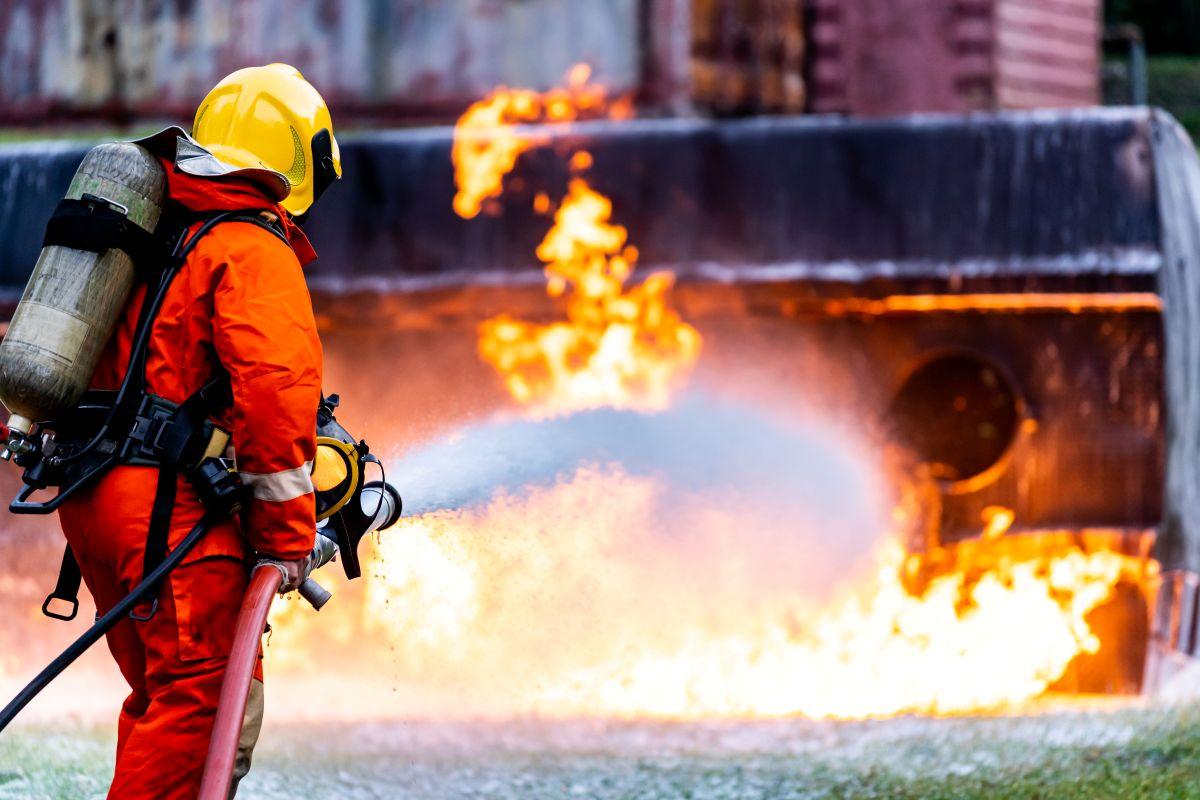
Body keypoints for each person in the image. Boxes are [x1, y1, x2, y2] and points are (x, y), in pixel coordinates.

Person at [56, 63, 339, 798]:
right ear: (297, 160)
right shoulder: (248, 248)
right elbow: (274, 395)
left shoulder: (154, 234)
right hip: (169, 510)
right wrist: (286, 537)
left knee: (165, 698)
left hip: (96, 498)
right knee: (200, 706)